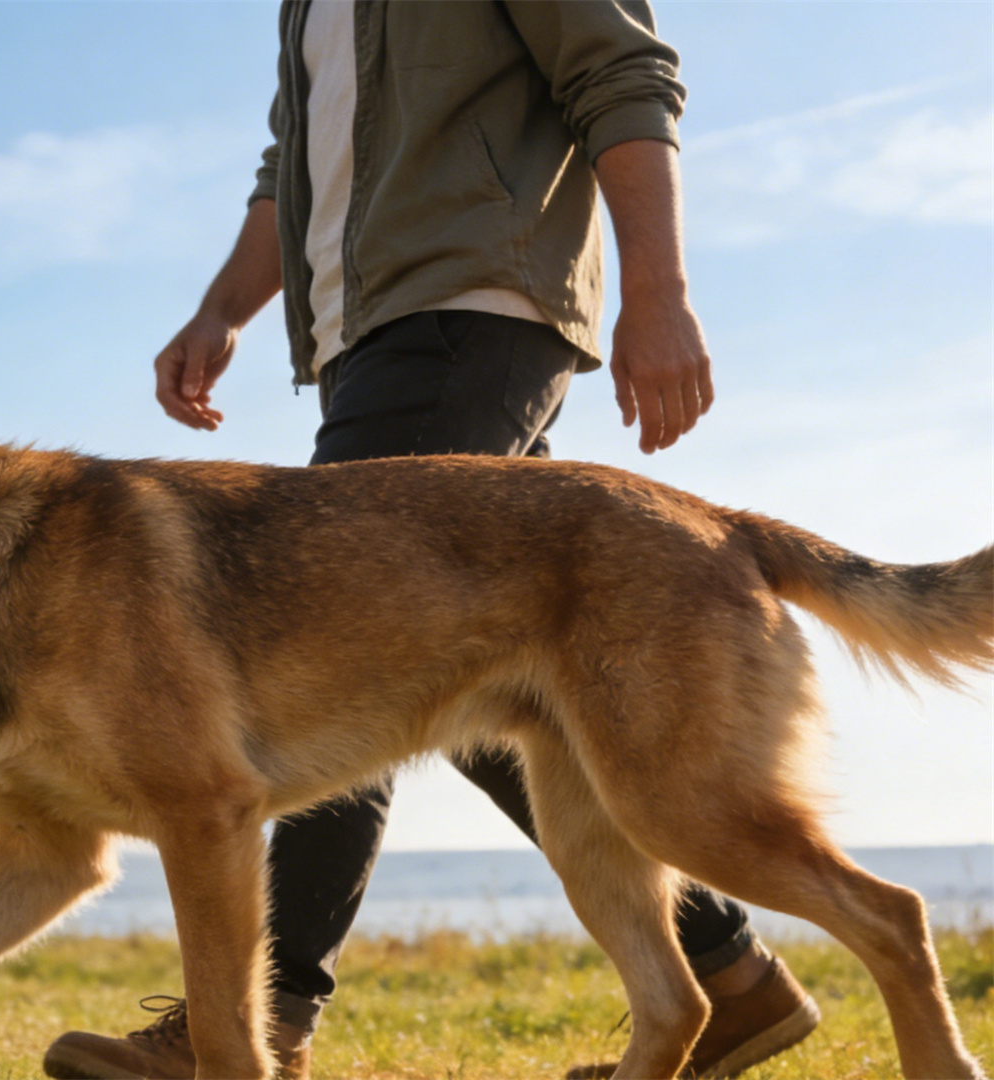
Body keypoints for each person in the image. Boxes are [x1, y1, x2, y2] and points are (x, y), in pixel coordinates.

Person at [41, 4, 822, 1079]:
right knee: (510, 687)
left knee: (311, 653)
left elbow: (623, 74)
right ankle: (731, 982)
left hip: (472, 301)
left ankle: (257, 1027)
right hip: (364, 332)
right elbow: (296, 164)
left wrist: (661, 293)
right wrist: (225, 307)